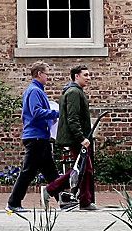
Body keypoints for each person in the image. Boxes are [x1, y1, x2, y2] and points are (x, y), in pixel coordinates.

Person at [6, 62, 60, 213]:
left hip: (40, 137)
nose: (48, 77)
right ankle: (13, 203)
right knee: (28, 171)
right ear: (39, 74)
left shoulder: (37, 90)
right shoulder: (34, 91)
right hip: (36, 137)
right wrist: (56, 113)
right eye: (46, 73)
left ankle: (63, 200)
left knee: (51, 172)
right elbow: (36, 112)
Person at [46, 65, 98, 211]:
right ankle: (52, 189)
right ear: (76, 76)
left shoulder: (75, 91)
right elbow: (72, 118)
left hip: (76, 138)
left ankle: (84, 201)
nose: (89, 78)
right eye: (85, 75)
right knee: (83, 169)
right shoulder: (74, 92)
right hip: (76, 139)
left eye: (89, 75)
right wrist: (81, 138)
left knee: (83, 169)